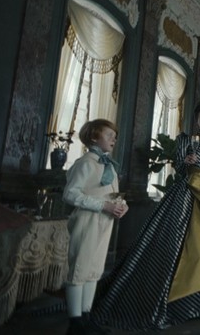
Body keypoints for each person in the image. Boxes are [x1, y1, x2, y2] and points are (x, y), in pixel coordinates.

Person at [92, 101, 200, 330]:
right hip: (185, 192)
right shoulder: (184, 140)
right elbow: (178, 166)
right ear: (197, 120)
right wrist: (184, 162)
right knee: (175, 239)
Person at [63, 119, 128, 335]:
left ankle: (87, 317)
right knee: (80, 269)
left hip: (104, 221)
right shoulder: (86, 163)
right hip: (87, 220)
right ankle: (75, 323)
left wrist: (121, 206)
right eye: (108, 135)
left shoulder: (109, 165)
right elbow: (71, 193)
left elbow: (113, 195)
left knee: (94, 270)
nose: (114, 139)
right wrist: (102, 205)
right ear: (94, 137)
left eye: (114, 136)